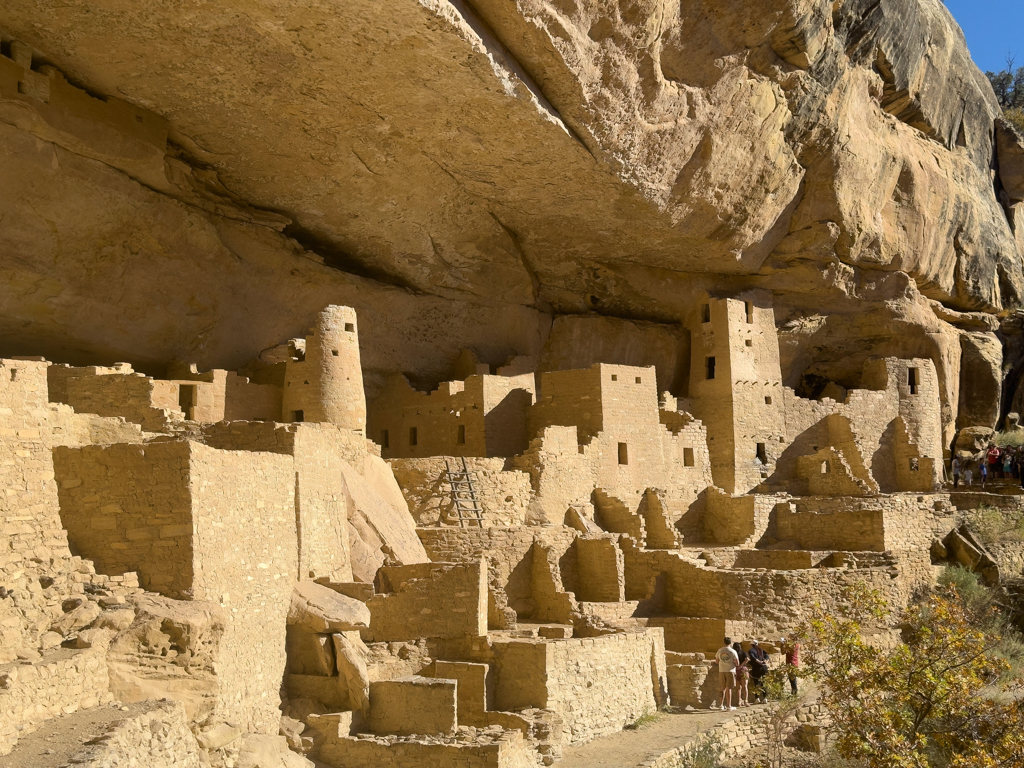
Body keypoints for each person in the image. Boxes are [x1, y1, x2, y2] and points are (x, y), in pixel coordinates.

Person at [711, 636, 740, 711]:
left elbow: (717, 661)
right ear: (730, 643)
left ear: (724, 643)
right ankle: (728, 706)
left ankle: (721, 705)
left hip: (721, 670)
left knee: (722, 687)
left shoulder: (720, 650)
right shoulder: (733, 651)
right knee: (728, 688)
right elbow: (737, 663)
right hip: (730, 670)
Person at [733, 642, 750, 707]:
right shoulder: (743, 653)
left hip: (736, 670)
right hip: (743, 669)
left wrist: (737, 666)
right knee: (744, 686)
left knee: (738, 688)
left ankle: (739, 702)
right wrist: (741, 665)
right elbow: (747, 659)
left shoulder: (734, 653)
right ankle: (746, 701)